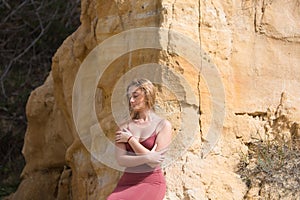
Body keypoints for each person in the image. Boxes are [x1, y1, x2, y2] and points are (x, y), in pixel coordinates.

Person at [107, 78, 172, 200]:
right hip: (127, 182)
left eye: (135, 96)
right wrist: (147, 156)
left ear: (147, 96)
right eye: (130, 97)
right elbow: (121, 160)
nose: (131, 100)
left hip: (151, 182)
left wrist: (131, 139)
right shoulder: (124, 127)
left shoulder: (163, 125)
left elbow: (154, 162)